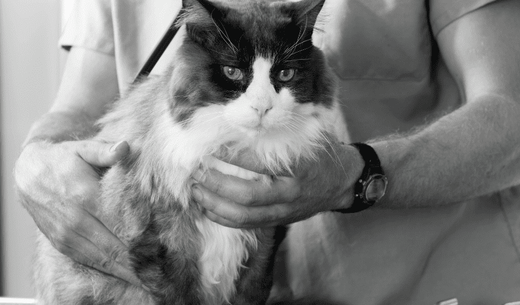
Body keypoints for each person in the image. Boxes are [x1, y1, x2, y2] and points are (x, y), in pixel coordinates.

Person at [14, 0, 520, 303]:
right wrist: (37, 158)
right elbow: (80, 103)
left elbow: (512, 115)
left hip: (426, 289)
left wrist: (354, 174)